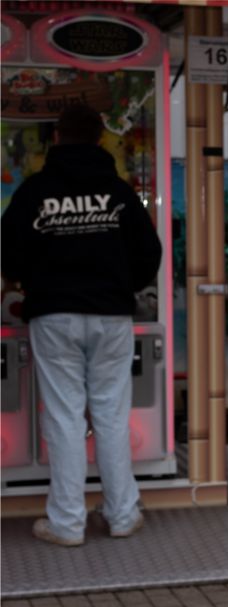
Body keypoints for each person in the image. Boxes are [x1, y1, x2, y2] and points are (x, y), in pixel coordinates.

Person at [0, 105, 161, 546]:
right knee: (110, 415)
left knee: (65, 417)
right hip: (110, 314)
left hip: (54, 315)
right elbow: (150, 253)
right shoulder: (119, 192)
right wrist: (120, 285)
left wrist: (31, 280)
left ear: (56, 138)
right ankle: (123, 515)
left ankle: (68, 524)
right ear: (99, 140)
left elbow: (7, 253)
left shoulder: (34, 192)